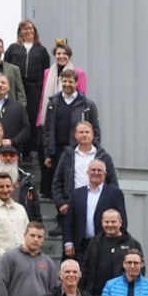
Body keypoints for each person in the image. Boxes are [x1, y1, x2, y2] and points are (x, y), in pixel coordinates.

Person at [39, 67, 100, 198]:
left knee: (76, 183)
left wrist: (94, 150)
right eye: (64, 81)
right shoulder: (53, 102)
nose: (67, 84)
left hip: (78, 150)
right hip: (57, 151)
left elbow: (95, 130)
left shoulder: (87, 105)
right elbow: (47, 130)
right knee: (59, 185)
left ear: (76, 83)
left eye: (70, 81)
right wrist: (48, 154)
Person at [63, 160, 127, 264]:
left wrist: (118, 243)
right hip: (80, 246)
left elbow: (122, 221)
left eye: (99, 170)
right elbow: (69, 221)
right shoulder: (77, 194)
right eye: (93, 170)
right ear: (87, 172)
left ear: (105, 174)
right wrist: (68, 242)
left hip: (105, 244)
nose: (96, 172)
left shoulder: (115, 193)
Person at [51, 120, 117, 214]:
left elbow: (113, 183)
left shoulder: (104, 157)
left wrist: (108, 204)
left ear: (92, 135)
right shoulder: (67, 156)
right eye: (81, 132)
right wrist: (61, 203)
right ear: (75, 135)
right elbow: (57, 182)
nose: (84, 135)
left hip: (97, 207)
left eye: (87, 132)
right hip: (72, 206)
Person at [8, 19, 52, 158]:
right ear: (20, 31)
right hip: (17, 87)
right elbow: (6, 67)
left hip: (34, 88)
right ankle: (16, 148)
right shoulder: (13, 48)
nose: (28, 31)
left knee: (32, 119)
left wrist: (42, 87)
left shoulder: (41, 50)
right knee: (16, 117)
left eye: (31, 28)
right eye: (25, 28)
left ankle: (28, 151)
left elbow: (46, 70)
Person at [83, 208, 141, 296]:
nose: (110, 225)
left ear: (120, 222)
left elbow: (140, 270)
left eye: (113, 221)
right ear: (102, 222)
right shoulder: (94, 242)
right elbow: (85, 267)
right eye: (107, 222)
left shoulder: (132, 244)